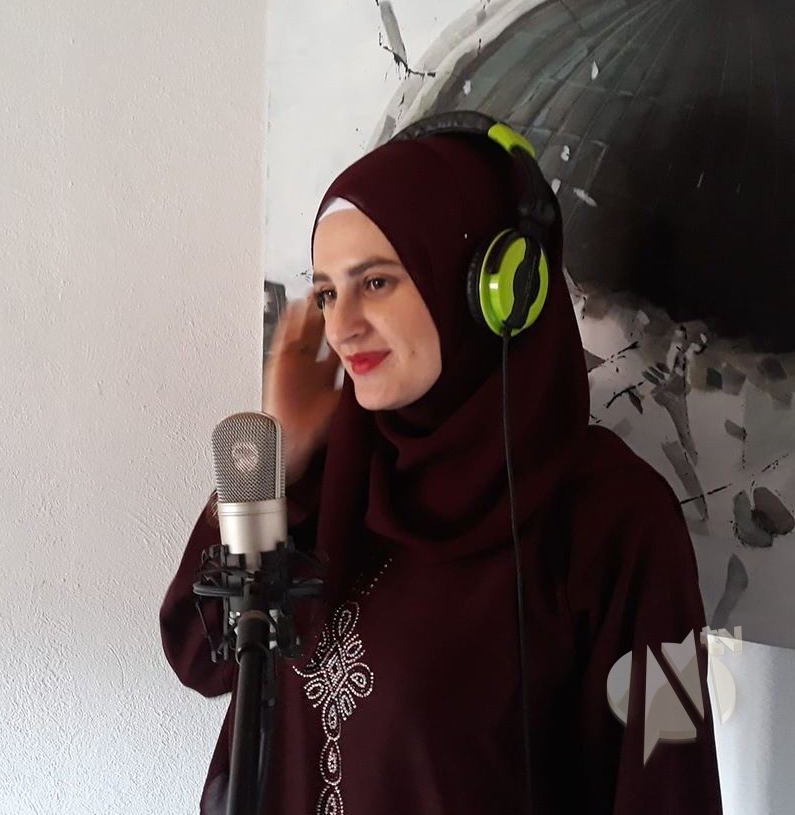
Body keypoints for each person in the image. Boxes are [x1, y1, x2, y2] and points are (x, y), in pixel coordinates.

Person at [160, 129, 724, 814]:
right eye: (328, 293)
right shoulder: (328, 481)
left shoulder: (615, 518)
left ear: (495, 292)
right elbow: (200, 653)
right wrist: (281, 459)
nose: (342, 326)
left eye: (376, 282)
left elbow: (667, 775)